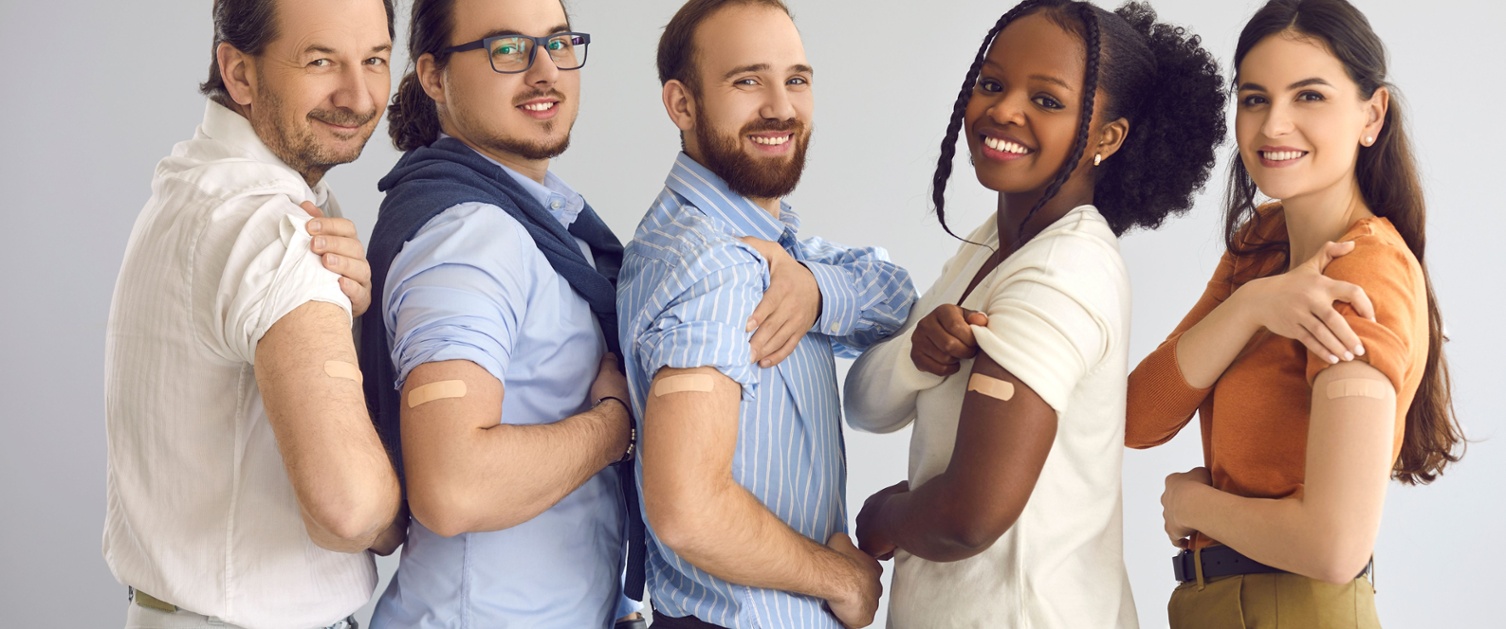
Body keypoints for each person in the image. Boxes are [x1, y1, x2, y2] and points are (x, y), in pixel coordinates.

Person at [358, 0, 826, 626]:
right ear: (434, 77)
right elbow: (454, 486)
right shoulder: (469, 239)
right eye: (507, 49)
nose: (545, 71)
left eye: (557, 43)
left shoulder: (544, 221)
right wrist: (615, 425)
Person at [843, 1, 1226, 627]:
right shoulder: (989, 246)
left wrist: (884, 518)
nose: (1003, 110)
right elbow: (864, 406)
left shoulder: (1060, 274)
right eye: (992, 83)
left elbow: (969, 517)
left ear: (1107, 137)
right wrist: (916, 357)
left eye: (1046, 100)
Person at [1125, 0, 1465, 626]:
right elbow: (1136, 416)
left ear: (1372, 115)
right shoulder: (1261, 244)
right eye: (1255, 99)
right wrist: (1254, 304)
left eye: (1309, 96)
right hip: (1222, 606)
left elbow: (1334, 547)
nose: (1273, 125)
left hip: (1289, 606)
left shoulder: (1363, 272)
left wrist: (1192, 504)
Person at [615, 1, 919, 627]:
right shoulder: (716, 265)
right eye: (748, 80)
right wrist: (841, 579)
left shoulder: (765, 248)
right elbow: (687, 510)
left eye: (796, 79)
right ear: (682, 104)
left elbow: (899, 303)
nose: (781, 107)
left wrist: (816, 291)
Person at [102, 0, 403, 627]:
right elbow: (351, 508)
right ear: (239, 73)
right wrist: (406, 516)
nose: (358, 95)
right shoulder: (276, 231)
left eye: (375, 60)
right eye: (320, 61)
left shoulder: (190, 185)